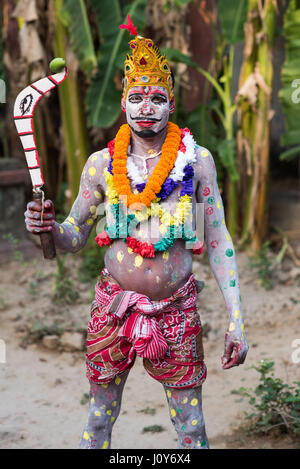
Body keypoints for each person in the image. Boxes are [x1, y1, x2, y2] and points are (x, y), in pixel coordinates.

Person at [24, 19, 248, 450]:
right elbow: (71, 237)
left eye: (157, 97)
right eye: (137, 96)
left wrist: (236, 320)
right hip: (113, 309)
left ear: (172, 103)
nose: (147, 106)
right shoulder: (101, 165)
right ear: (123, 101)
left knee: (193, 429)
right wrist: (46, 227)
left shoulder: (196, 161)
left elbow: (218, 240)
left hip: (177, 310)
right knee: (98, 421)